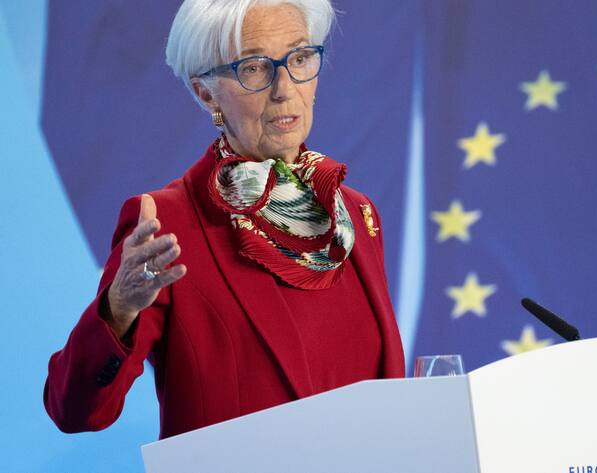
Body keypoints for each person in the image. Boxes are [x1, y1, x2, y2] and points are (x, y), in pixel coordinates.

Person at [44, 0, 405, 439]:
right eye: (254, 68)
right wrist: (118, 309)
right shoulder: (166, 222)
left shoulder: (357, 213)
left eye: (299, 58)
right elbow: (75, 411)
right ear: (206, 93)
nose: (284, 88)